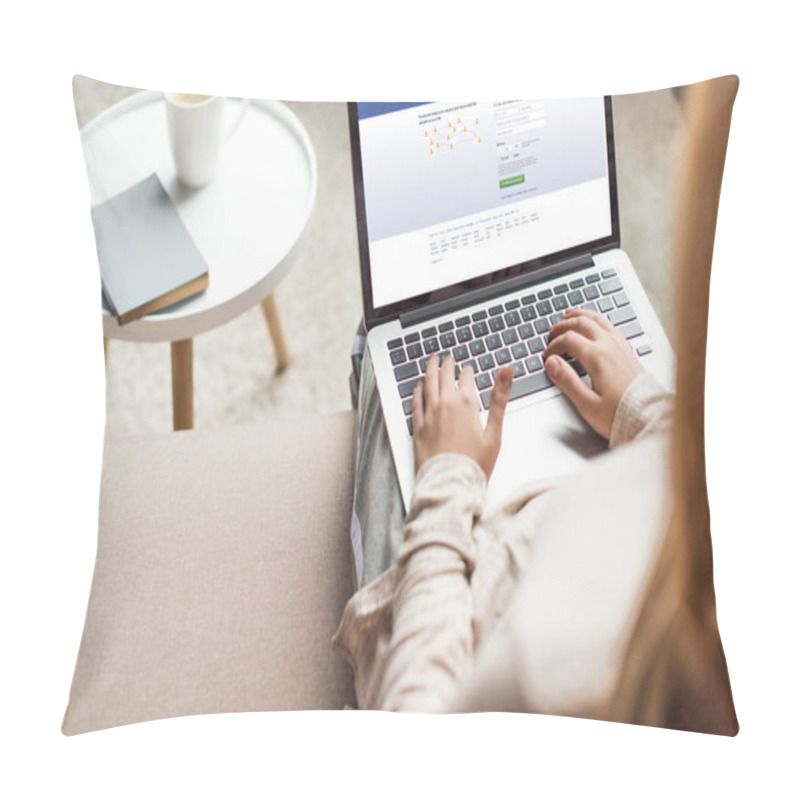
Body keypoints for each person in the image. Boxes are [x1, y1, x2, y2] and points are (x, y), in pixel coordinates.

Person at [334, 307, 677, 720]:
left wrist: (446, 477)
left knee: (381, 333)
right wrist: (647, 414)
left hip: (448, 593)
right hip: (588, 504)